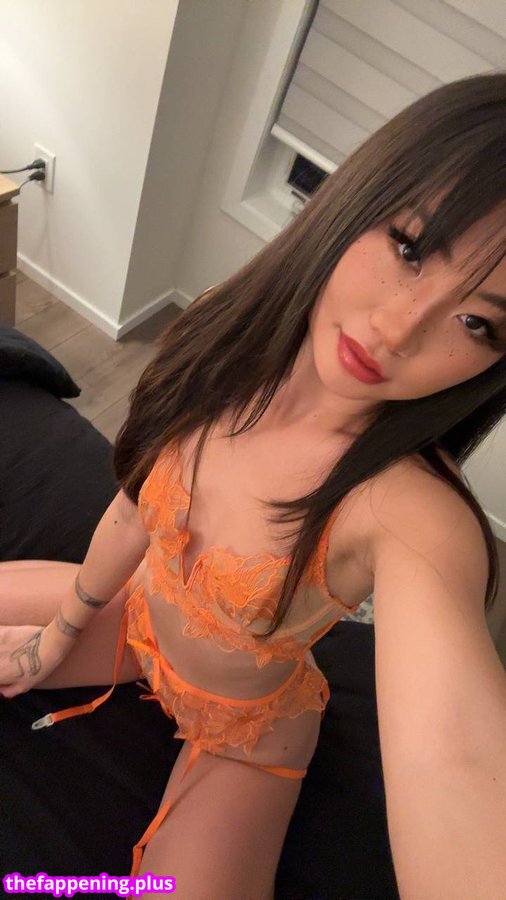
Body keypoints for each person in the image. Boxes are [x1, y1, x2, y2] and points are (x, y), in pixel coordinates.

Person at [1, 71, 506, 899]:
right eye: (411, 247)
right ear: (358, 198)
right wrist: (59, 634)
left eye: (478, 322)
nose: (397, 327)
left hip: (247, 729)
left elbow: (458, 768)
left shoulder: (409, 513)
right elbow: (134, 506)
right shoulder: (217, 336)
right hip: (137, 624)